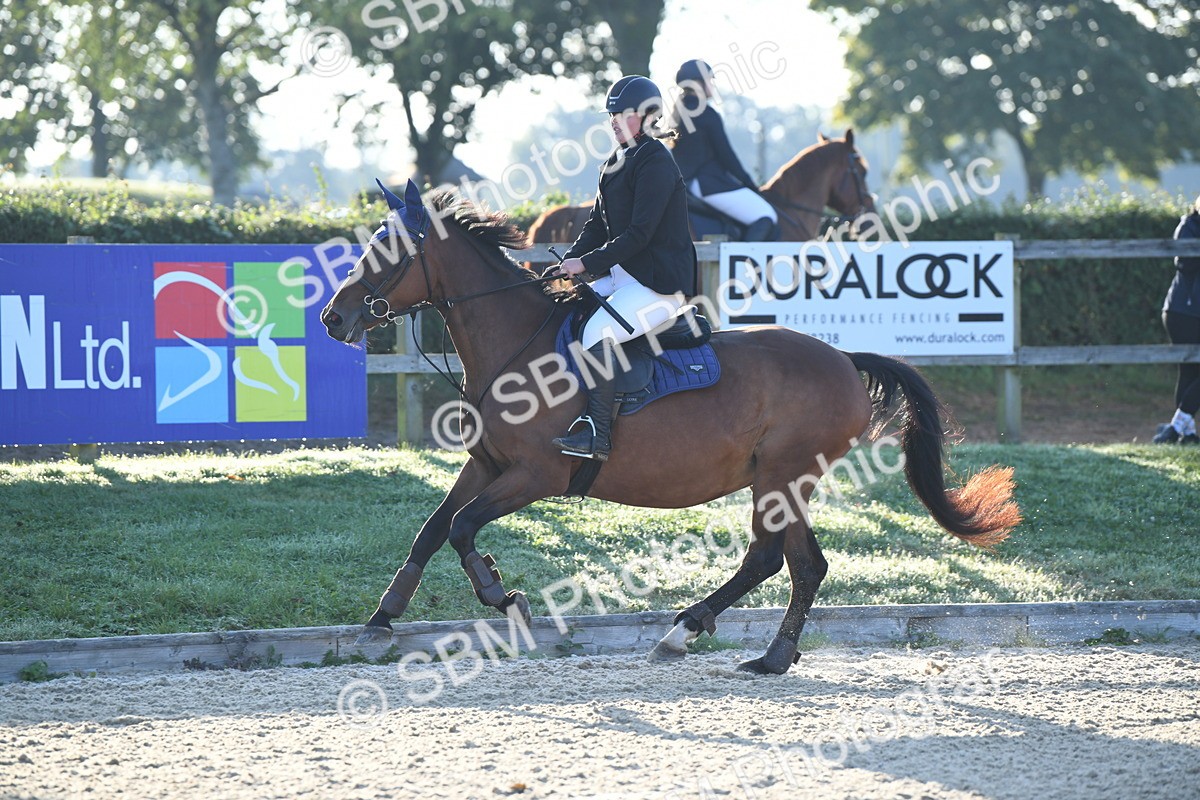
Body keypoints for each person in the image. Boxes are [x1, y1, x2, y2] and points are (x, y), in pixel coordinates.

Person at [552, 75, 698, 462]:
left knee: (598, 331)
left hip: (660, 286)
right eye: (612, 114)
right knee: (564, 312)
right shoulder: (615, 161)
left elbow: (639, 235)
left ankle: (597, 435)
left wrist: (587, 263)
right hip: (625, 279)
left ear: (648, 116)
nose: (614, 119)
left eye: (623, 113)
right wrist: (567, 263)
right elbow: (596, 226)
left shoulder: (656, 161)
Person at [669, 59, 778, 241]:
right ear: (697, 83)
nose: (712, 85)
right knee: (766, 215)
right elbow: (726, 157)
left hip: (689, 184)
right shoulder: (706, 113)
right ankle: (741, 266)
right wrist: (750, 185)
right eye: (710, 80)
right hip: (709, 184)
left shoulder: (678, 112)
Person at [1153, 195, 1200, 444]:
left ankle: (1186, 432)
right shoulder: (1189, 226)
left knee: (1191, 372)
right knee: (1190, 369)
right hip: (1185, 311)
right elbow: (1185, 262)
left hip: (1190, 310)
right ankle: (1176, 427)